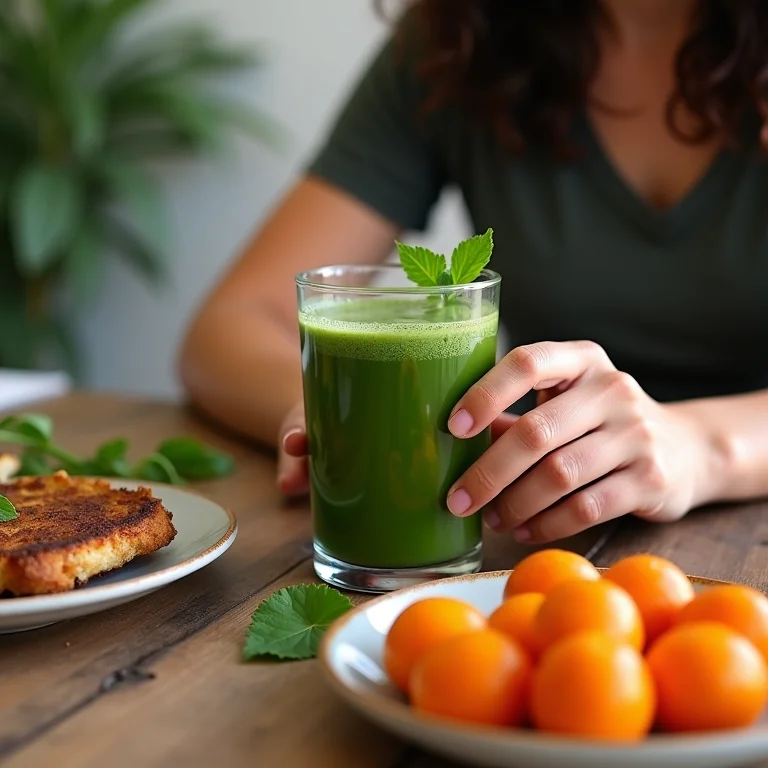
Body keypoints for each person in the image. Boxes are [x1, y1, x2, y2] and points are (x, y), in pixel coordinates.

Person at [179, 0, 768, 545]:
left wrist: (703, 448)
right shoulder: (462, 32)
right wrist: (328, 409)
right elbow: (235, 322)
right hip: (529, 530)